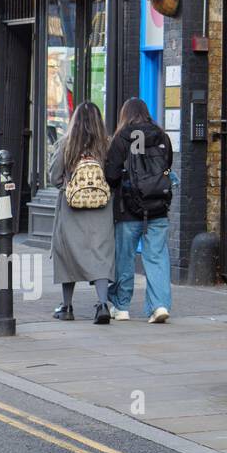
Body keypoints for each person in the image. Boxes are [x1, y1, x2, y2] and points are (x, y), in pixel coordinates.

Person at [105, 98, 174, 324]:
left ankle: (121, 306)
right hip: (158, 207)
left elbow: (112, 175)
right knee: (157, 257)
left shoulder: (121, 138)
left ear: (125, 114)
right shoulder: (162, 136)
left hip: (128, 209)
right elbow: (167, 167)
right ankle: (160, 305)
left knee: (124, 257)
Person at [49, 102, 116, 325]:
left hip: (72, 209)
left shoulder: (67, 144)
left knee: (68, 255)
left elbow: (54, 176)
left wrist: (68, 185)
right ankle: (103, 304)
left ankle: (67, 307)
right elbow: (114, 175)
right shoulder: (106, 145)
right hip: (101, 209)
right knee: (100, 254)